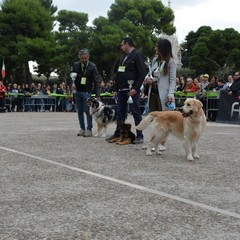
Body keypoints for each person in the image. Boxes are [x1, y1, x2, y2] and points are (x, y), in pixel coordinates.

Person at [106, 37, 146, 144]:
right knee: (120, 112)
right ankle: (118, 133)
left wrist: (136, 88)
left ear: (127, 44)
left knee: (136, 112)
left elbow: (142, 73)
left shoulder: (137, 55)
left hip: (132, 90)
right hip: (121, 90)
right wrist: (115, 88)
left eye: (122, 45)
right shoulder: (123, 57)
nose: (121, 47)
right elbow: (118, 74)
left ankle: (139, 136)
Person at [143, 38, 177, 150]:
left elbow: (172, 80)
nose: (155, 48)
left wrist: (171, 93)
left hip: (164, 94)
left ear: (162, 48)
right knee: (155, 118)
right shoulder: (154, 60)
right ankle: (154, 142)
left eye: (157, 46)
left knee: (165, 119)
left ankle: (162, 144)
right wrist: (148, 79)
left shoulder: (171, 62)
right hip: (153, 92)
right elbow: (150, 73)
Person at [72, 48, 101, 137]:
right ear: (79, 57)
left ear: (88, 57)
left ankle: (89, 129)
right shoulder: (76, 65)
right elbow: (72, 76)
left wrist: (97, 95)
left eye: (86, 58)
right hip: (77, 91)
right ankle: (82, 128)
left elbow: (96, 80)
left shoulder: (92, 66)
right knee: (79, 111)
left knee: (88, 111)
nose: (84, 60)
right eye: (82, 58)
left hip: (87, 92)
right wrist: (72, 84)